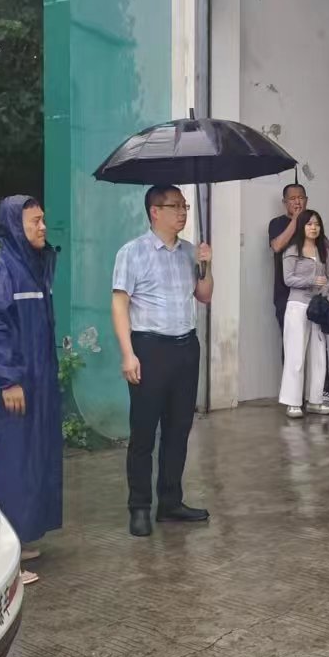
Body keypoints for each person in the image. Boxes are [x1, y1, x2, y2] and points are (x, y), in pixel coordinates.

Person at [0, 196, 61, 586]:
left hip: (34, 383)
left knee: (32, 460)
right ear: (15, 226)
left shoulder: (32, 267)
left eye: (43, 220)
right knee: (9, 467)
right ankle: (3, 559)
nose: (43, 227)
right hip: (10, 389)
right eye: (35, 221)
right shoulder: (0, 269)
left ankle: (18, 536)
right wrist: (8, 379)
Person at [111, 185, 214, 538]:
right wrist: (128, 353)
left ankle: (170, 502)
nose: (183, 212)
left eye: (185, 206)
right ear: (155, 212)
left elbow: (204, 295)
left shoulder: (189, 252)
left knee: (178, 428)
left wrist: (206, 265)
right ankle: (139, 507)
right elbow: (120, 305)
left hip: (186, 347)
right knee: (143, 432)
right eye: (175, 206)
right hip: (149, 348)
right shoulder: (132, 253)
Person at [270, 184, 329, 405]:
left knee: (319, 348)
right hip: (287, 296)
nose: (297, 201)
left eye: (301, 197)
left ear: (307, 200)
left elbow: (327, 251)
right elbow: (277, 246)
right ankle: (294, 398)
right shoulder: (278, 223)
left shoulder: (313, 224)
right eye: (292, 198)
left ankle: (321, 392)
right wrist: (296, 221)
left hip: (315, 299)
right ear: (285, 202)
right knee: (293, 348)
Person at [280, 208, 329, 419]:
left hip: (317, 307)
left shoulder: (323, 251)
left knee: (318, 355)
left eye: (317, 224)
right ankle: (293, 402)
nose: (314, 228)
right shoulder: (292, 250)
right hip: (297, 305)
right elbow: (288, 279)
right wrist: (311, 281)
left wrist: (324, 290)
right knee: (295, 355)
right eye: (309, 224)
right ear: (302, 226)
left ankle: (315, 400)